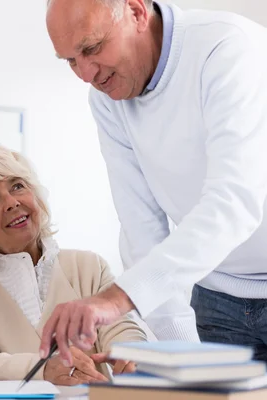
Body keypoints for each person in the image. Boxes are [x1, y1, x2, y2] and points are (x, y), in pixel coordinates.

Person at [42, 0, 267, 366]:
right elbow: (140, 227)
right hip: (217, 293)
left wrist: (115, 298)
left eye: (92, 48)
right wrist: (184, 357)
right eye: (70, 60)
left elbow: (235, 202)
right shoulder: (107, 99)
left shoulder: (225, 49)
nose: (86, 74)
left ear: (136, 11)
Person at [0, 144, 147, 385]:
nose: (11, 202)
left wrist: (132, 354)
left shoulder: (89, 266)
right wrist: (43, 370)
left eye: (17, 186)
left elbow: (122, 328)